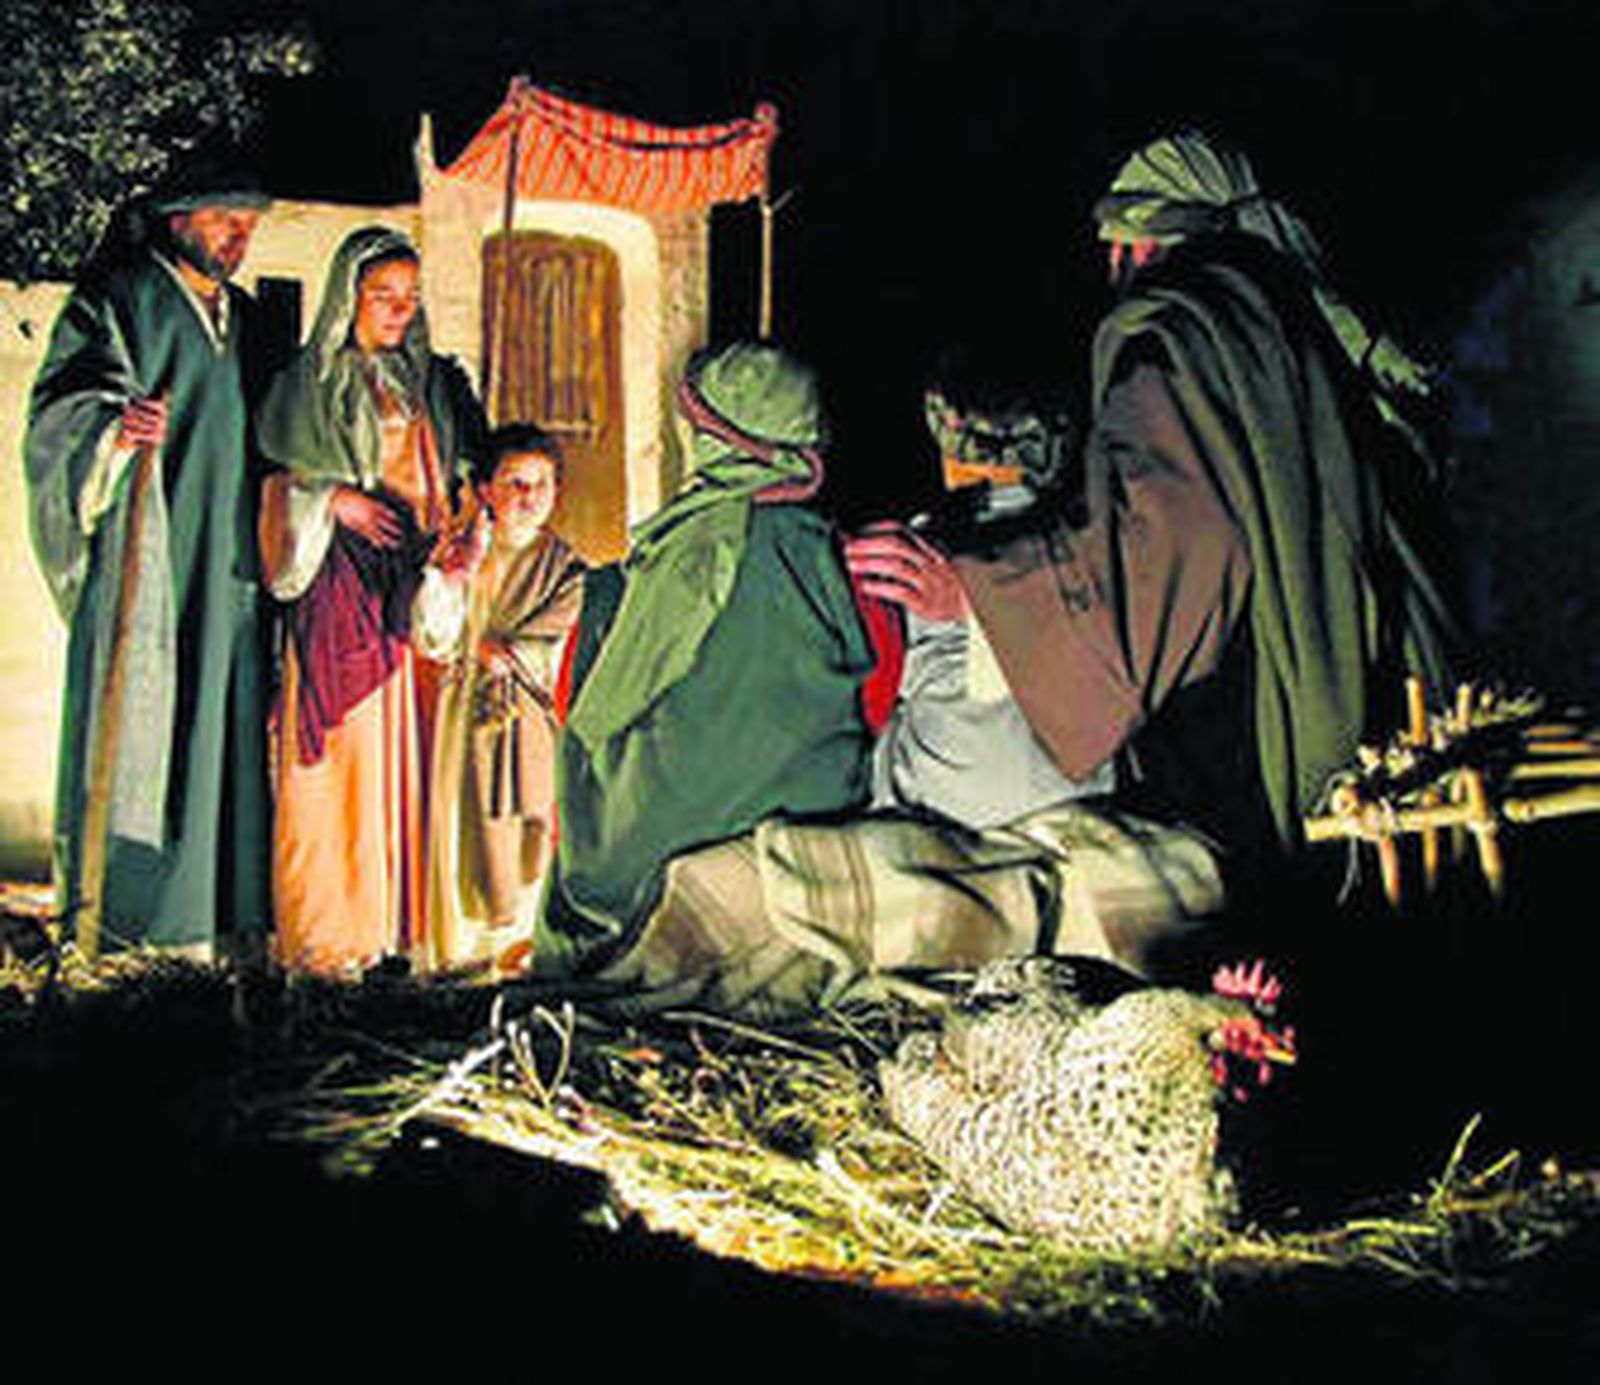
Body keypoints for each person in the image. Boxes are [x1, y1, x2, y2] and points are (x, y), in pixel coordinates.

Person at [849, 130, 1459, 888]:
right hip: (1375, 687)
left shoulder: (1180, 331)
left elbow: (1168, 547)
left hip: (1256, 715)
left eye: (1116, 246)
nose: (1111, 267)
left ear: (1138, 245)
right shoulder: (1294, 318)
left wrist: (974, 596)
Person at [536, 342, 882, 976]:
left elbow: (608, 707)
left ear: (716, 438)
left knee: (605, 788)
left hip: (685, 828)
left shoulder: (697, 545)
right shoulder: (832, 546)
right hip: (819, 807)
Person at [24, 156, 273, 961]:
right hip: (151, 564)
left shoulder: (245, 319)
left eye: (248, 223)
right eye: (224, 219)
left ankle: (214, 933)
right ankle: (123, 929)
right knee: (144, 728)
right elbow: (61, 412)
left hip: (229, 567)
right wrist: (111, 431)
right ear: (177, 218)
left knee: (221, 733)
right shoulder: (118, 297)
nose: (238, 236)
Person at [255, 226, 487, 977]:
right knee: (342, 758)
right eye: (382, 295)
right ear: (347, 297)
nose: (398, 310)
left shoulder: (430, 382)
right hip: (341, 581)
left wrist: (458, 523)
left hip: (412, 584)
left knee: (412, 748)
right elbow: (273, 485)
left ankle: (396, 931)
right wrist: (333, 500)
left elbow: (453, 474)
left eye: (409, 297)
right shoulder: (308, 384)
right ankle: (327, 935)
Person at [413, 424, 585, 976]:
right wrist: (450, 581)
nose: (529, 497)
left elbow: (563, 639)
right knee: (458, 829)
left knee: (524, 835)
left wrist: (509, 652)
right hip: (461, 713)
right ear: (486, 488)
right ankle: (459, 956)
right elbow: (432, 636)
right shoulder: (463, 551)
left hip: (527, 717)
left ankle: (517, 953)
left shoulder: (566, 567)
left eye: (542, 484)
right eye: (515, 482)